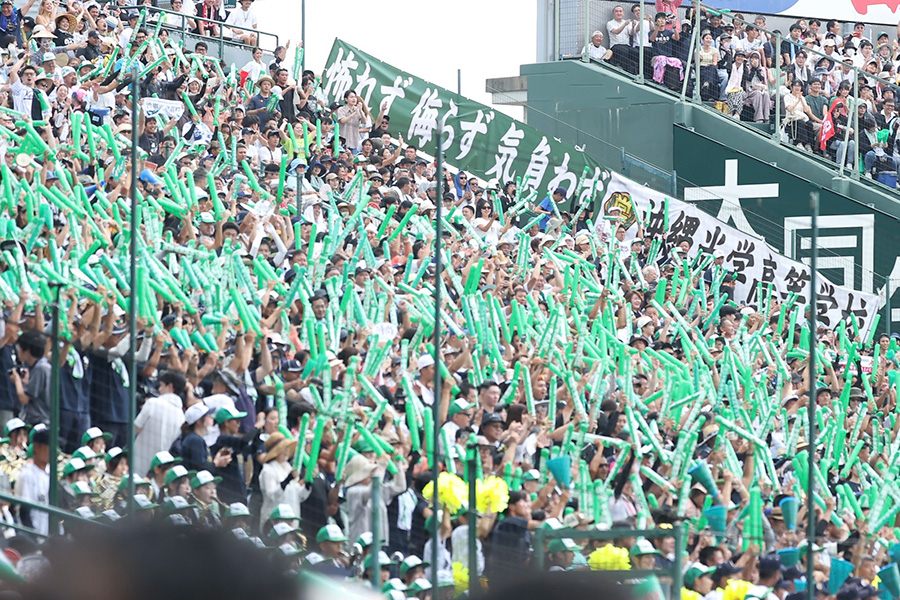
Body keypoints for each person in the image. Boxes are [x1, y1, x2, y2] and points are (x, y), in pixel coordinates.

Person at [133, 370, 186, 477]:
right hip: (159, 467)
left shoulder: (153, 403)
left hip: (137, 462)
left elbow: (135, 429)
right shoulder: (181, 416)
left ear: (170, 386)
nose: (159, 389)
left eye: (161, 385)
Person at [11, 329, 50, 427]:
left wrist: (17, 379)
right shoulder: (44, 366)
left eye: (19, 348)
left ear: (27, 351)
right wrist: (25, 383)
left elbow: (24, 398)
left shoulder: (40, 368)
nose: (18, 350)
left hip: (39, 421)